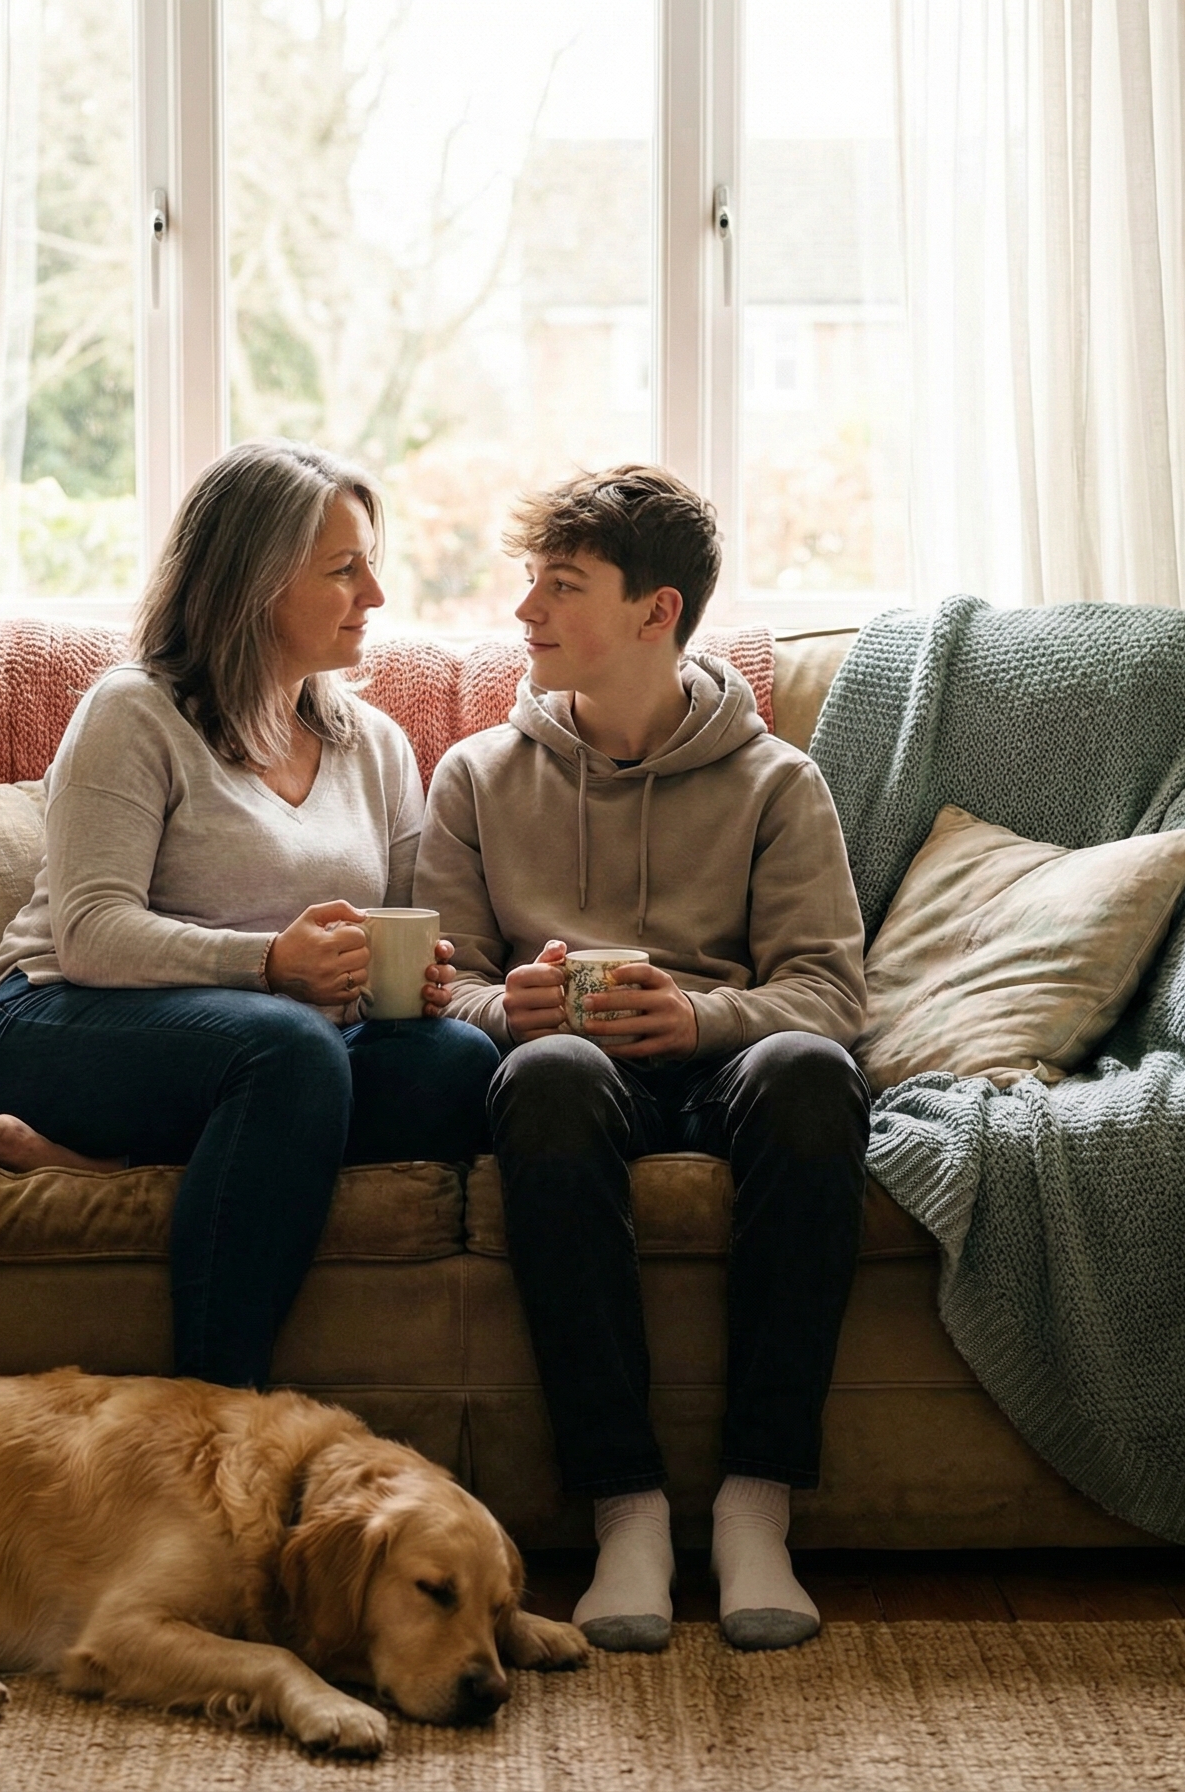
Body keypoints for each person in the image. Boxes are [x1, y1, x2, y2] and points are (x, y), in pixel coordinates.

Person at [412, 466, 869, 1654]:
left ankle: (757, 1505)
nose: (526, 614)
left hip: (725, 1068)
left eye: (561, 588)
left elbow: (829, 991)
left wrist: (702, 1020)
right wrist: (502, 1011)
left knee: (814, 1073)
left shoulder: (778, 782)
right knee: (548, 1080)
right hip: (567, 1075)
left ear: (656, 613)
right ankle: (628, 1513)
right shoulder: (474, 776)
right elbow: (433, 985)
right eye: (531, 585)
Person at [0, 438, 500, 1390]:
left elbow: (415, 926)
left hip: (291, 1056)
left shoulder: (373, 746)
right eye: (344, 570)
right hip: (55, 1021)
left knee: (458, 1066)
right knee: (285, 1049)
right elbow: (89, 933)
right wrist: (268, 965)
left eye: (371, 564)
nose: (375, 593)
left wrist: (423, 975)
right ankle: (219, 1409)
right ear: (254, 583)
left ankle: (125, 1165)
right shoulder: (135, 714)